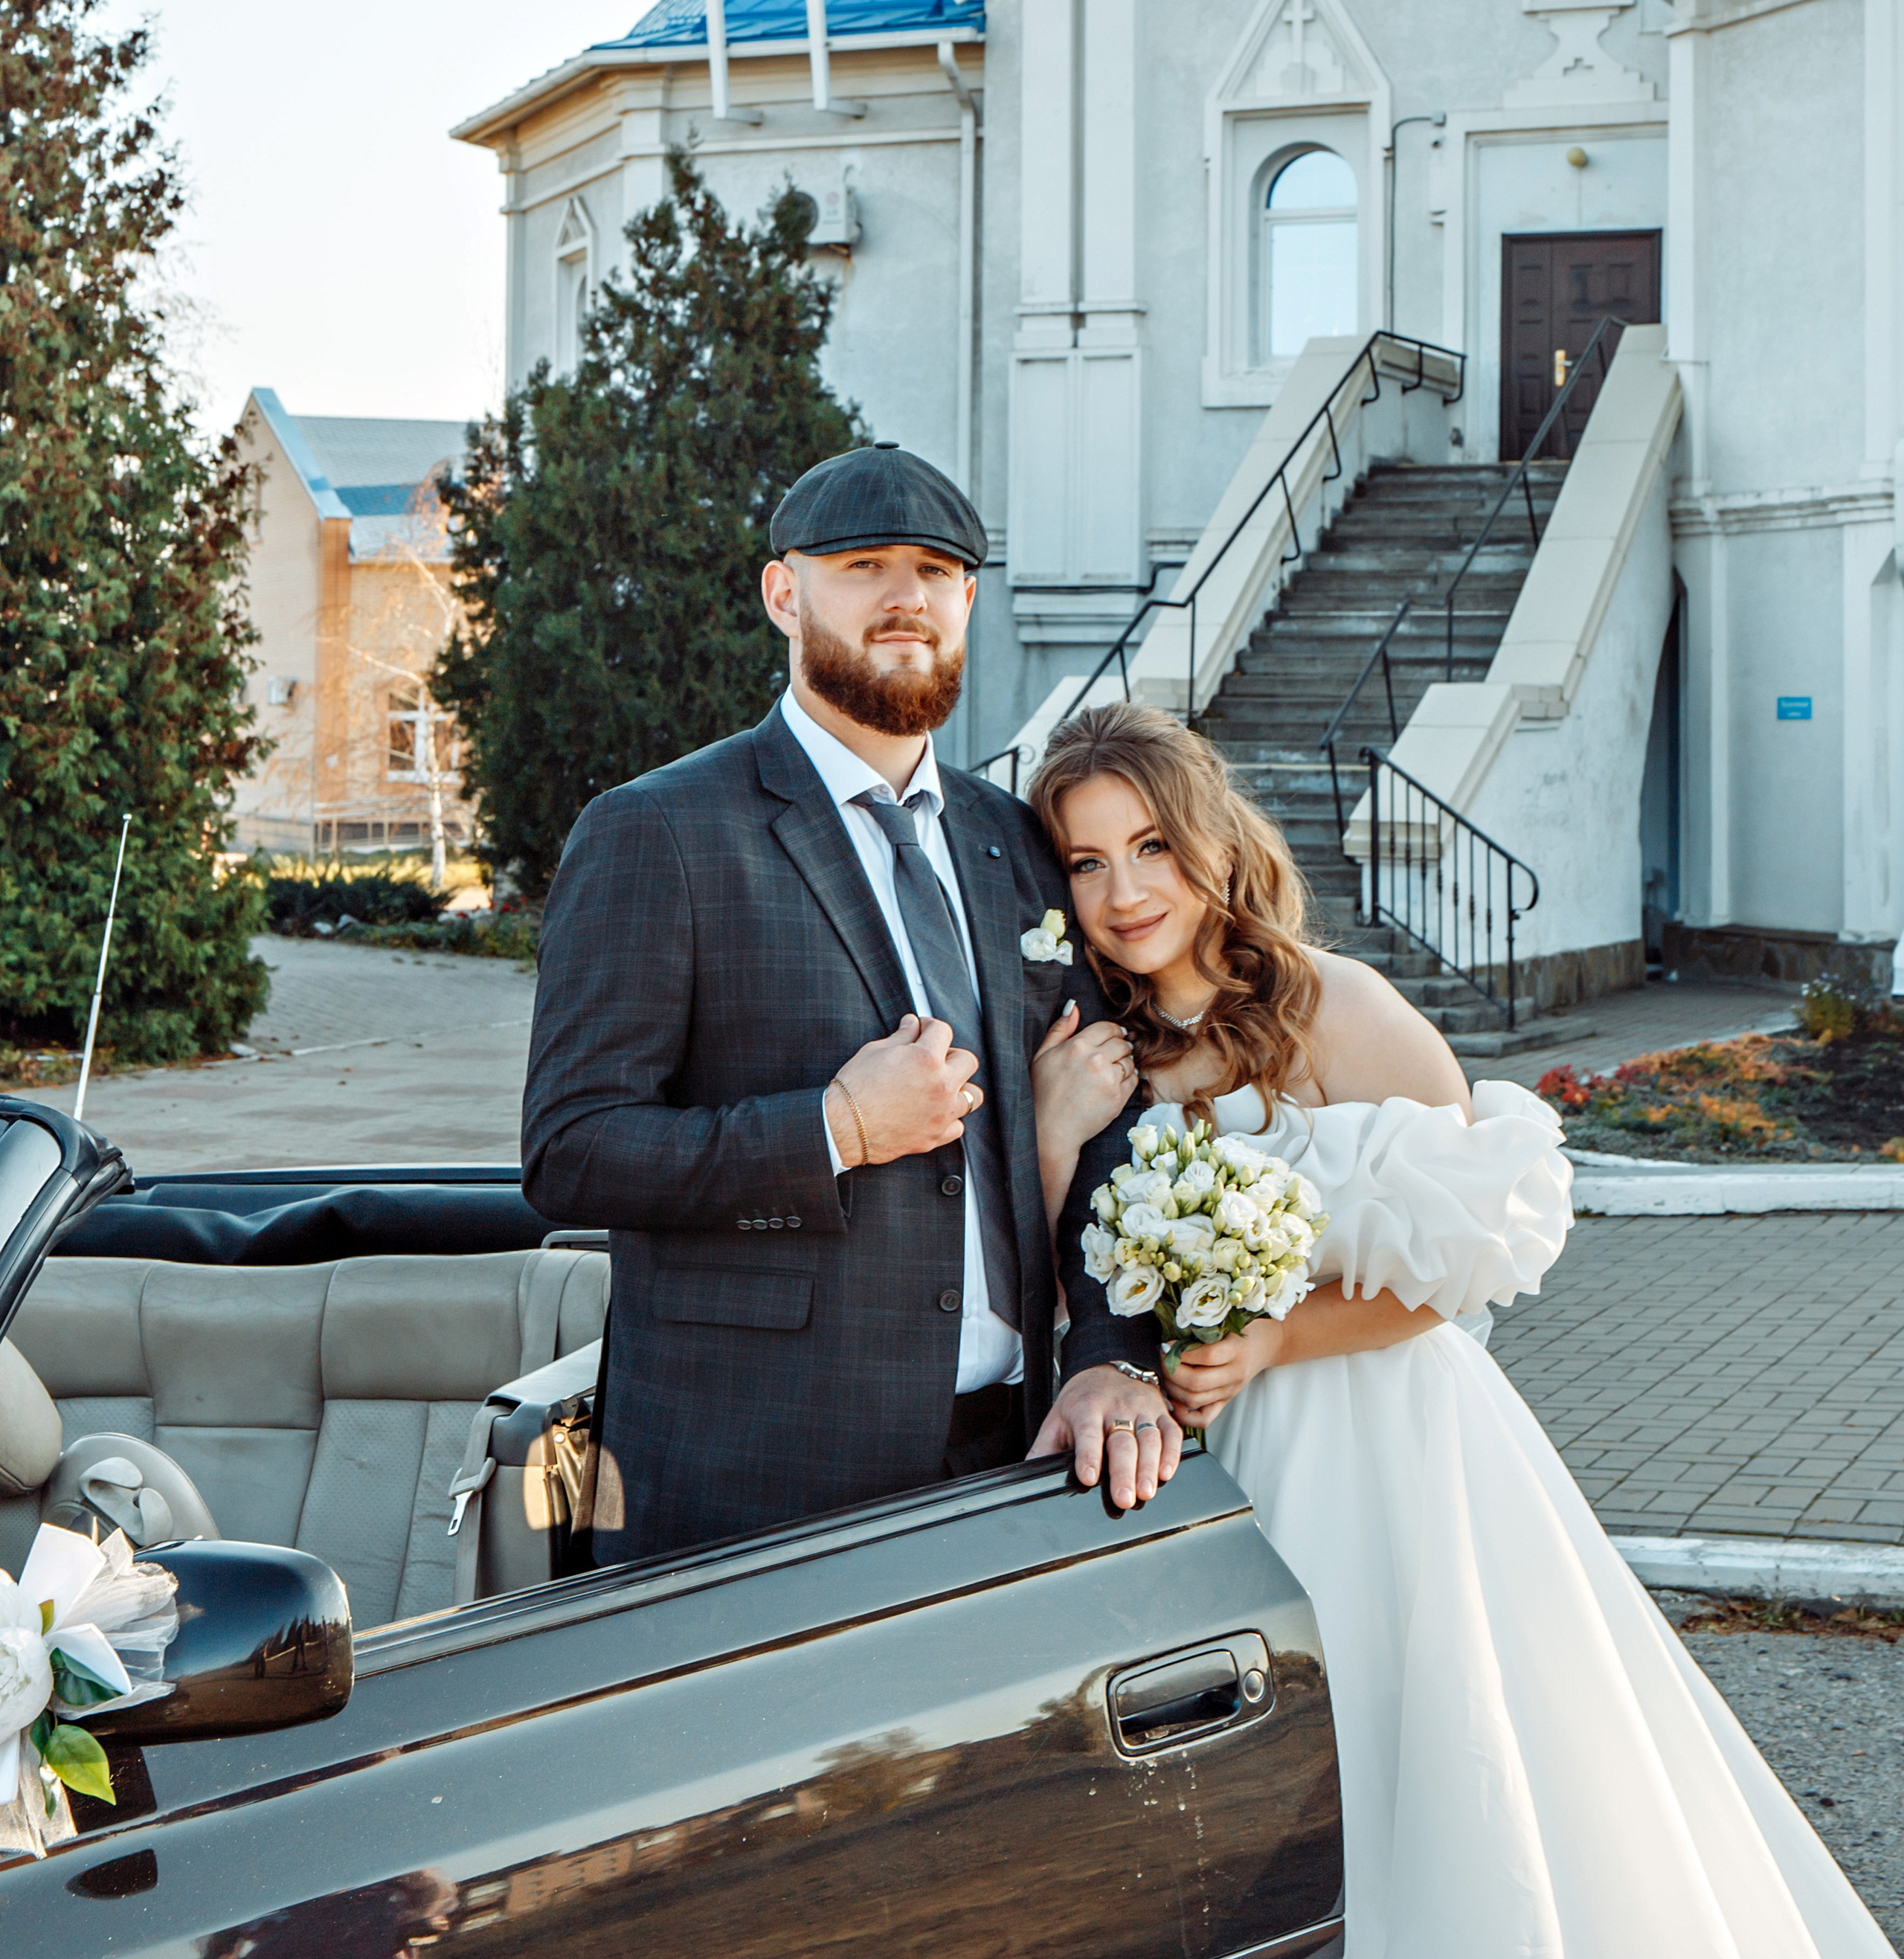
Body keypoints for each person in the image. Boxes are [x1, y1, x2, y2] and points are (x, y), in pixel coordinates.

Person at [1027, 699, 1891, 1959]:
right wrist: (1058, 1131)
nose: (1124, 890)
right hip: (1192, 1465)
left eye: (1151, 845)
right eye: (1088, 862)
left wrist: (1275, 1340)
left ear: (1210, 839)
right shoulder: (1095, 1055)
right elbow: (1067, 1299)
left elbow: (1478, 1248)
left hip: (1388, 1447)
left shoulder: (1338, 1006)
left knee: (1435, 1747)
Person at [520, 442, 1177, 1566]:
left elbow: (1103, 1114)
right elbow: (573, 1151)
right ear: (786, 593)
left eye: (935, 568)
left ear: (968, 599)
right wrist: (832, 1130)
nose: (905, 595)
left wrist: (1107, 1351)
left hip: (1010, 1452)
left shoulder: (1011, 839)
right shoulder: (659, 832)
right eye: (863, 564)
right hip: (757, 1471)